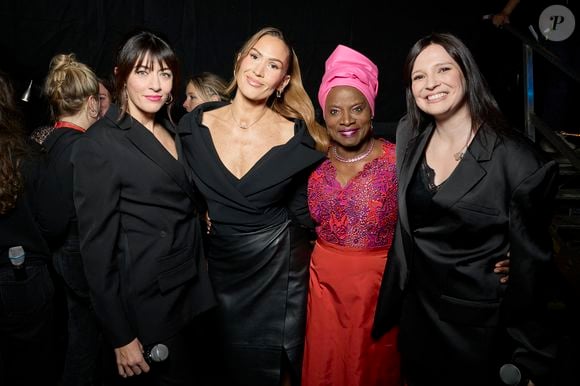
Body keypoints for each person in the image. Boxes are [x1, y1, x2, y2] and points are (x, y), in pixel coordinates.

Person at [372, 32, 559, 386]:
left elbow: (534, 277)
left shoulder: (519, 162)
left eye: (443, 69)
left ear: (466, 73)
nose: (431, 84)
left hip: (476, 335)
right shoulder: (409, 133)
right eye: (418, 76)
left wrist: (530, 361)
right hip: (416, 322)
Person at [178, 26, 327, 386]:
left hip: (276, 270)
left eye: (273, 65)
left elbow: (307, 212)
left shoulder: (300, 138)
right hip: (217, 270)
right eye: (255, 56)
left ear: (283, 81)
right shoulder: (193, 127)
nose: (259, 70)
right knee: (214, 369)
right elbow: (182, 197)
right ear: (239, 60)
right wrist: (204, 211)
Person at [71, 29, 215, 385]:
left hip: (190, 290)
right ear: (121, 76)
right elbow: (96, 251)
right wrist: (120, 335)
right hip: (147, 305)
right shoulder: (100, 144)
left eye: (165, 74)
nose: (156, 85)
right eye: (143, 72)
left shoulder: (172, 126)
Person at [301, 45, 402, 386]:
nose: (346, 121)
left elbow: (436, 218)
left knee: (372, 368)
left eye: (356, 109)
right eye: (334, 111)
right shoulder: (309, 161)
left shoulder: (398, 160)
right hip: (324, 287)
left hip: (378, 288)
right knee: (327, 366)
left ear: (371, 111)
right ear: (323, 115)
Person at [33, 53, 102, 386]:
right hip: (80, 256)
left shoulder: (47, 141)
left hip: (60, 255)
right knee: (99, 338)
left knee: (81, 335)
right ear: (91, 103)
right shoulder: (84, 148)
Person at [0, 70, 58, 386]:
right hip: (24, 278)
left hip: (23, 277)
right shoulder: (31, 156)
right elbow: (52, 223)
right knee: (33, 370)